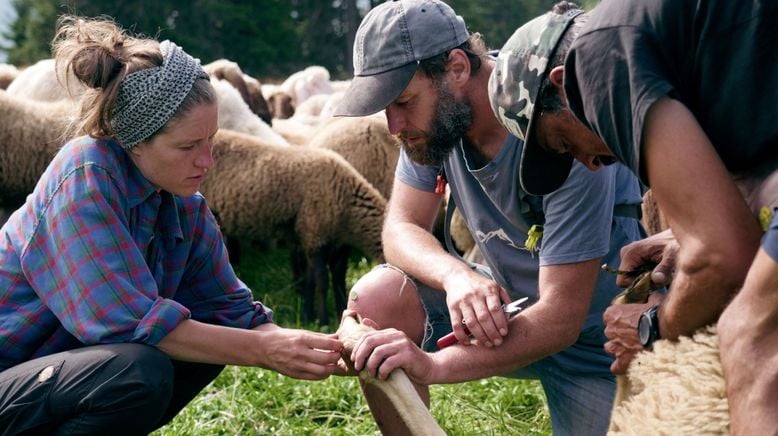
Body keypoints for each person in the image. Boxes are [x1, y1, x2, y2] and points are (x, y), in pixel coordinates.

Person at [0, 16, 343, 434]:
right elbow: (129, 322)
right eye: (187, 146)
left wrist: (328, 350)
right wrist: (265, 349)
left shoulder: (182, 207)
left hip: (57, 378)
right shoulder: (85, 175)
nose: (207, 162)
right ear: (134, 139)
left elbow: (232, 313)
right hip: (10, 374)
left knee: (203, 346)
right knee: (136, 371)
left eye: (211, 141)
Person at [334, 1, 646, 434]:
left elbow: (560, 318)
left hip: (596, 342)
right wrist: (457, 276)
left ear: (457, 68)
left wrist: (433, 365)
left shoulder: (558, 120)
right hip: (506, 313)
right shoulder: (435, 128)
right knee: (377, 297)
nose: (394, 125)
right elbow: (401, 227)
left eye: (403, 101)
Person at [488, 0, 778, 432]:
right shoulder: (704, 65)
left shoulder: (597, 58)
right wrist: (684, 242)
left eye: (564, 144)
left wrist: (651, 327)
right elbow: (755, 197)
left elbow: (723, 257)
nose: (587, 164)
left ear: (563, 85)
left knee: (749, 341)